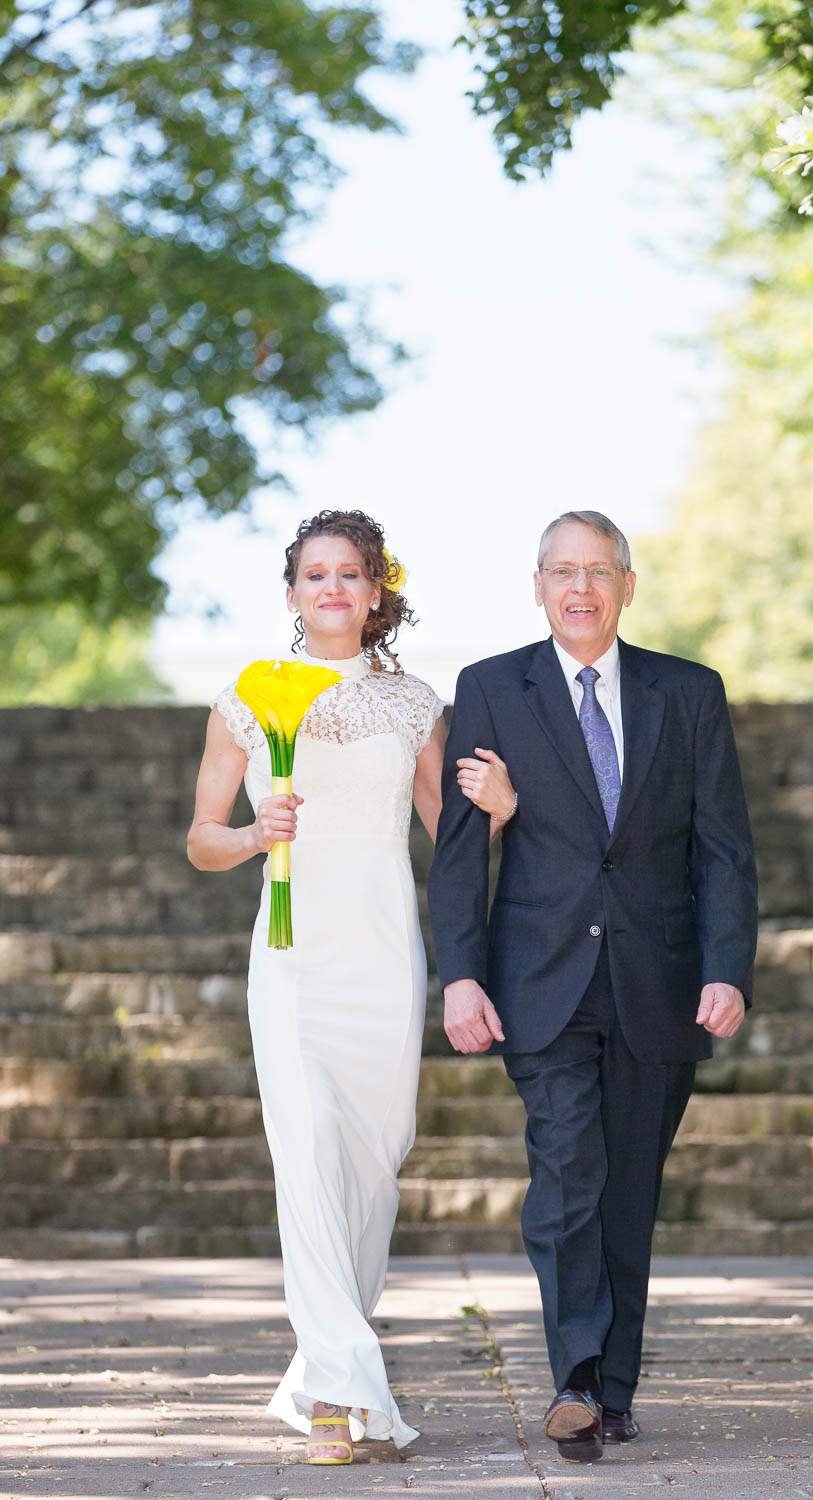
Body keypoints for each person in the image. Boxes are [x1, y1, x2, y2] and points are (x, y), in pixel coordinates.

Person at [186, 509, 517, 1466]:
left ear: (378, 592)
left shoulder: (415, 702)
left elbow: (451, 842)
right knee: (308, 1147)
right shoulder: (245, 697)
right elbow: (202, 838)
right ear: (292, 592)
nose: (332, 589)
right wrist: (256, 835)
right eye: (314, 575)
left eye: (350, 574)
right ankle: (339, 1389)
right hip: (290, 958)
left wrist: (499, 810)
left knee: (374, 1161)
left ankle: (326, 1367)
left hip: (381, 949)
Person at [428, 510, 758, 1462]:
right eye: (562, 571)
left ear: (627, 585)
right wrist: (460, 975)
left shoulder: (689, 693)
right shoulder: (492, 688)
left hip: (657, 980)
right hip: (542, 981)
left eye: (598, 571)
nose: (580, 588)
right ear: (537, 586)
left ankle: (615, 1393)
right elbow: (459, 852)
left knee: (626, 1197)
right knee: (567, 1174)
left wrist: (725, 967)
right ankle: (574, 1376)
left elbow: (724, 848)